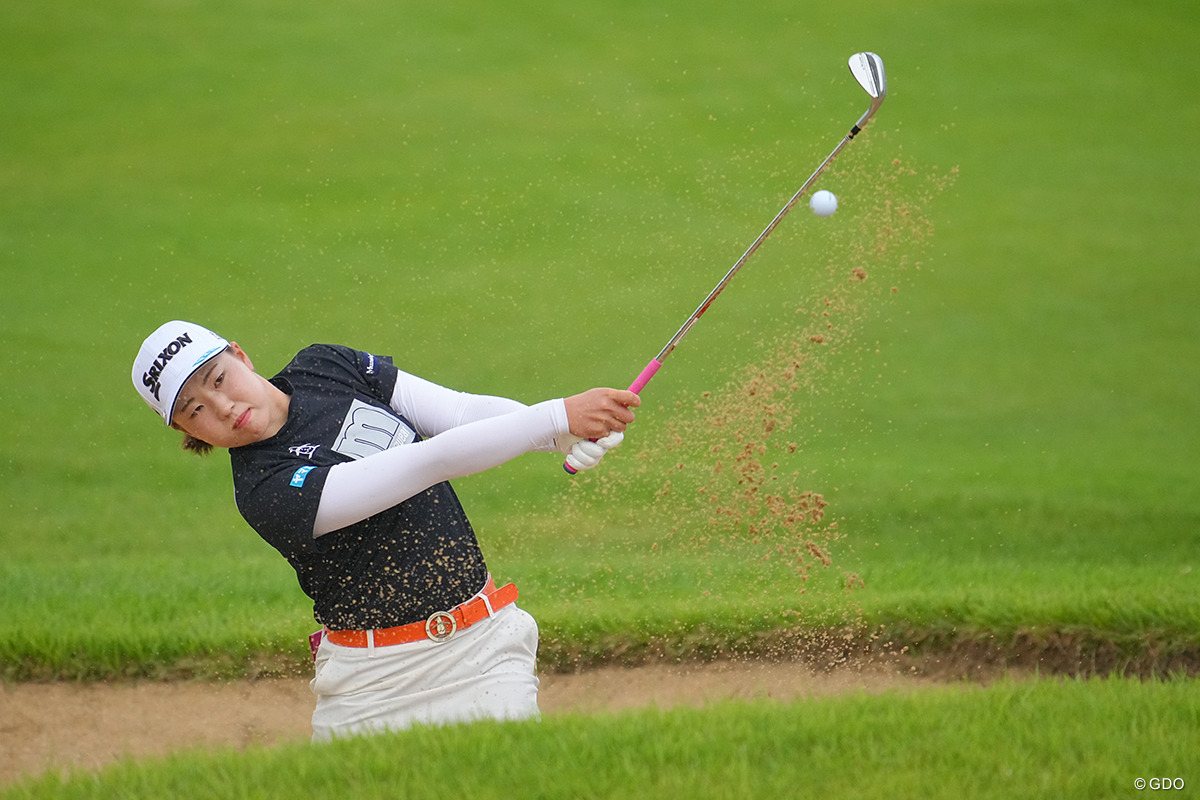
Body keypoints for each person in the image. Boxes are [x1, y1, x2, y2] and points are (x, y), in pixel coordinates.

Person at [131, 320, 638, 741]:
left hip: (485, 648)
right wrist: (555, 416)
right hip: (370, 684)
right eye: (194, 409)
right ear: (186, 432)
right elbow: (430, 461)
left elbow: (458, 413)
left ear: (240, 356)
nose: (221, 407)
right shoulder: (265, 491)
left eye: (218, 379)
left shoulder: (324, 365)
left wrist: (558, 435)